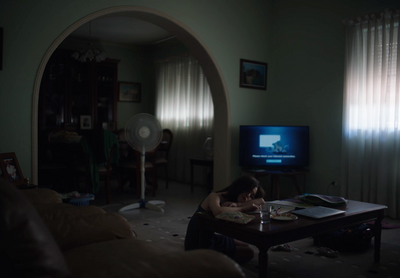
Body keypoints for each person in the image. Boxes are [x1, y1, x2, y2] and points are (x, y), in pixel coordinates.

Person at [184, 175, 265, 263]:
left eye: (252, 196)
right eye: (247, 191)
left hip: (211, 237)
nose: (248, 196)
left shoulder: (234, 201)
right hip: (198, 243)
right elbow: (219, 212)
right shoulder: (214, 196)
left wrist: (238, 205)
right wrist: (244, 208)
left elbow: (261, 201)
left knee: (245, 244)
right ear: (240, 186)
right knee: (248, 253)